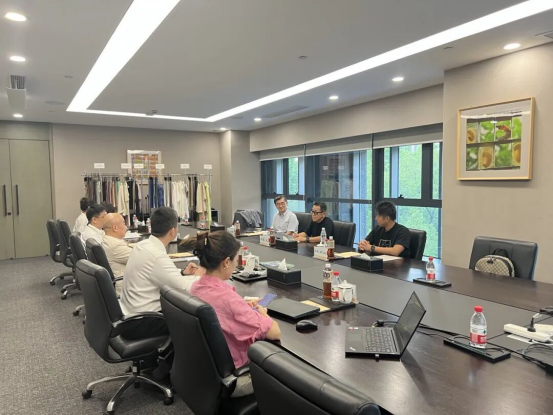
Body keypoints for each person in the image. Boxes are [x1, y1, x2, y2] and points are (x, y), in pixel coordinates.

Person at [182, 231, 281, 397]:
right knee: (291, 378)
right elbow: (274, 332)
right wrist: (263, 314)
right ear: (226, 262)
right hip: (235, 378)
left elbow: (224, 312)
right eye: (235, 260)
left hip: (205, 372)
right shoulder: (227, 299)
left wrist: (242, 307)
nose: (236, 264)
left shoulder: (197, 287)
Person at [120, 207, 203, 339]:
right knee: (195, 321)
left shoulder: (143, 245)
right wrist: (202, 276)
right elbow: (184, 288)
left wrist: (182, 272)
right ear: (172, 231)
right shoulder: (157, 255)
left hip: (128, 314)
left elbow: (158, 273)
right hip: (141, 322)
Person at [102, 213, 132, 294]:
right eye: (124, 223)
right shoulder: (116, 246)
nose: (126, 227)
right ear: (115, 228)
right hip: (127, 286)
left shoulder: (106, 240)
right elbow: (141, 259)